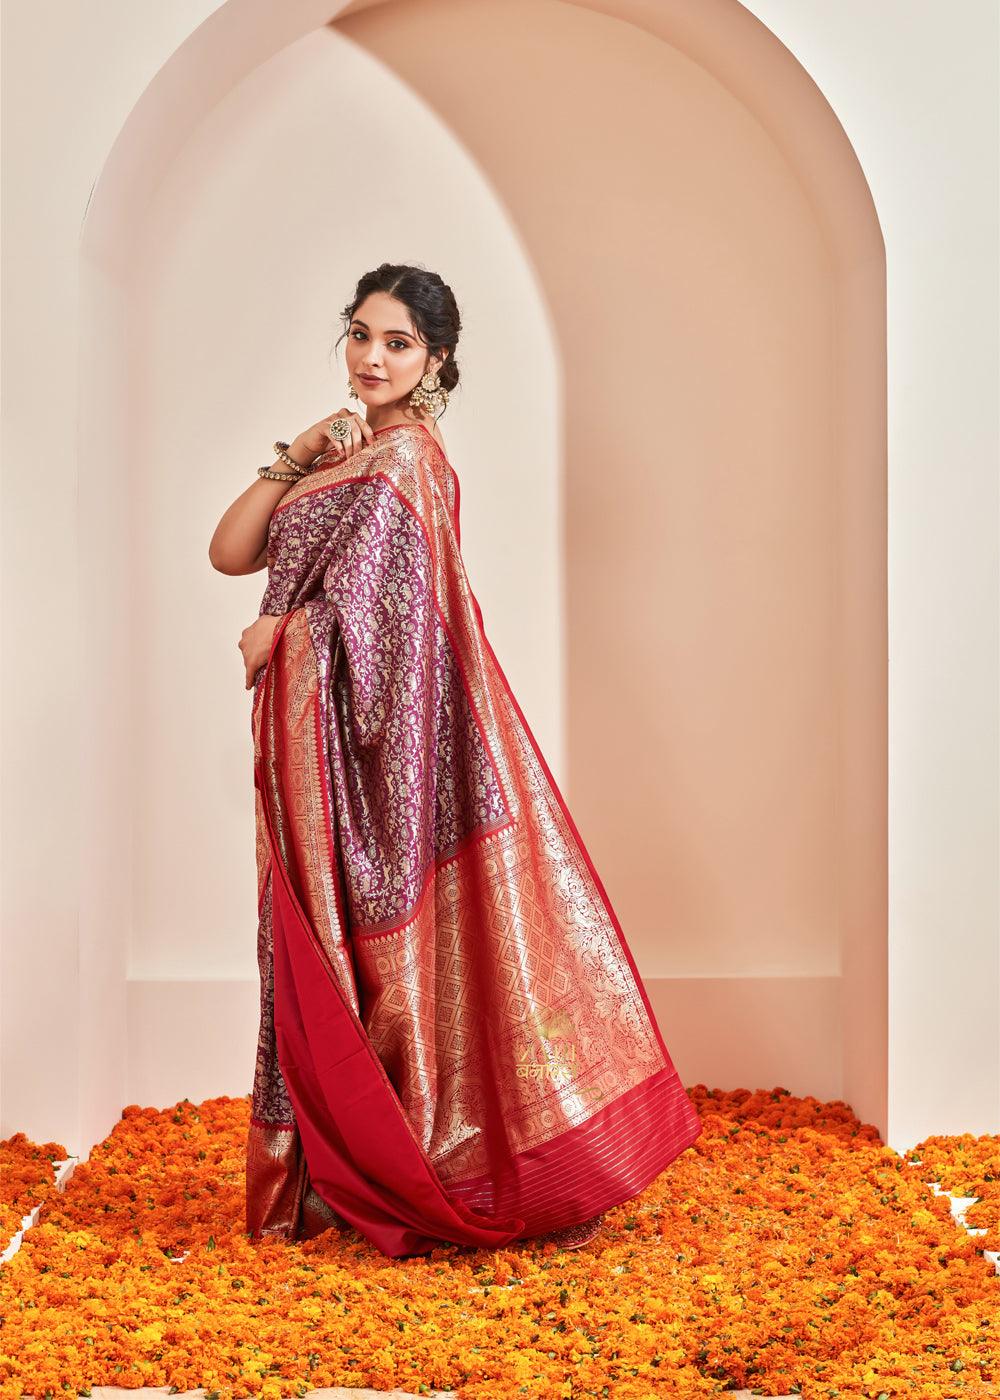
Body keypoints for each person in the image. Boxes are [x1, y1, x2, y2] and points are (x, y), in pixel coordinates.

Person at [209, 263, 702, 1260]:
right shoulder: (348, 455)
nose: (372, 357)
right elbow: (229, 551)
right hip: (319, 754)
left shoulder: (407, 467)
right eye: (360, 334)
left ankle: (387, 1172)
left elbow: (389, 636)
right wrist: (297, 450)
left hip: (373, 768)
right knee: (313, 953)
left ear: (435, 360)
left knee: (367, 961)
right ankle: (336, 1175)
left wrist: (284, 634)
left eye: (397, 343)